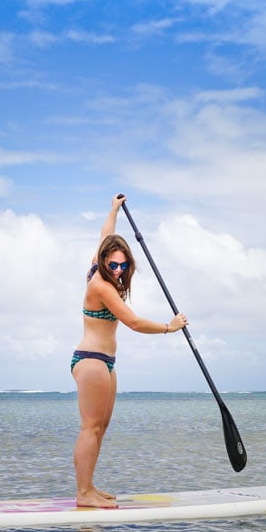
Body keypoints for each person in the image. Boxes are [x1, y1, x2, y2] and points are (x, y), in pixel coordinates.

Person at [71, 193, 188, 509]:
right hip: (91, 361)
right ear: (103, 261)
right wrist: (169, 327)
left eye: (124, 265)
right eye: (114, 264)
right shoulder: (100, 285)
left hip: (107, 362)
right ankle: (83, 494)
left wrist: (113, 209)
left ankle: (90, 487)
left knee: (102, 427)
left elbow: (105, 234)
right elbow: (134, 322)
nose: (119, 270)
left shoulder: (104, 261)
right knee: (90, 427)